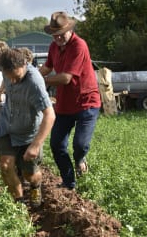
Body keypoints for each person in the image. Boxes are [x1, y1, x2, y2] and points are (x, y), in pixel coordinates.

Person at [39, 11, 101, 190]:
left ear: (70, 29)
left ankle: (80, 159)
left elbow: (65, 78)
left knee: (80, 145)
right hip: (65, 103)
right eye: (54, 35)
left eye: (61, 34)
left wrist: (41, 81)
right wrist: (31, 75)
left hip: (86, 101)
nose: (57, 38)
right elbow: (48, 66)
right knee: (56, 144)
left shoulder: (79, 45)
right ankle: (69, 183)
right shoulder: (54, 46)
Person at [0, 48, 55, 208]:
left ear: (25, 64)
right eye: (9, 77)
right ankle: (19, 204)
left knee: (30, 174)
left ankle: (35, 186)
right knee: (5, 166)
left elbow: (50, 115)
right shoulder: (7, 71)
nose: (12, 81)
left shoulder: (35, 82)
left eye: (17, 77)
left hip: (28, 133)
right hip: (6, 126)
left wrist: (35, 145)